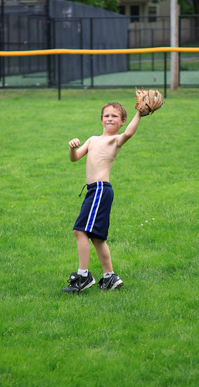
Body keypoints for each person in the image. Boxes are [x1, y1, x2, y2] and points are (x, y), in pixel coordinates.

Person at [63, 101, 141, 293]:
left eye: (115, 116)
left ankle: (83, 275)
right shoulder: (92, 140)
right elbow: (75, 158)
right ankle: (109, 277)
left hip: (100, 190)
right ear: (101, 119)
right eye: (106, 115)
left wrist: (139, 113)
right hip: (94, 191)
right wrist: (73, 147)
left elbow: (129, 133)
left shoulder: (115, 140)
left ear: (123, 121)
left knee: (79, 231)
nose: (110, 119)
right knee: (97, 237)